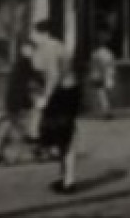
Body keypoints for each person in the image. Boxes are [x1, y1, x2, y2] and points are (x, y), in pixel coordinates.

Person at [27, 22, 81, 193]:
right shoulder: (57, 45)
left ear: (43, 33)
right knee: (60, 135)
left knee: (66, 135)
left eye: (34, 33)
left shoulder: (50, 48)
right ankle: (63, 177)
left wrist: (45, 98)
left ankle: (69, 181)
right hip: (67, 91)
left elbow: (54, 76)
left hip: (63, 93)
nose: (32, 37)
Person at [89, 35, 117, 119]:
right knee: (107, 95)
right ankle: (108, 111)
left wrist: (93, 75)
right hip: (109, 75)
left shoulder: (95, 54)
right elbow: (111, 65)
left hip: (99, 75)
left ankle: (106, 112)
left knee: (101, 94)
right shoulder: (110, 53)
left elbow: (95, 66)